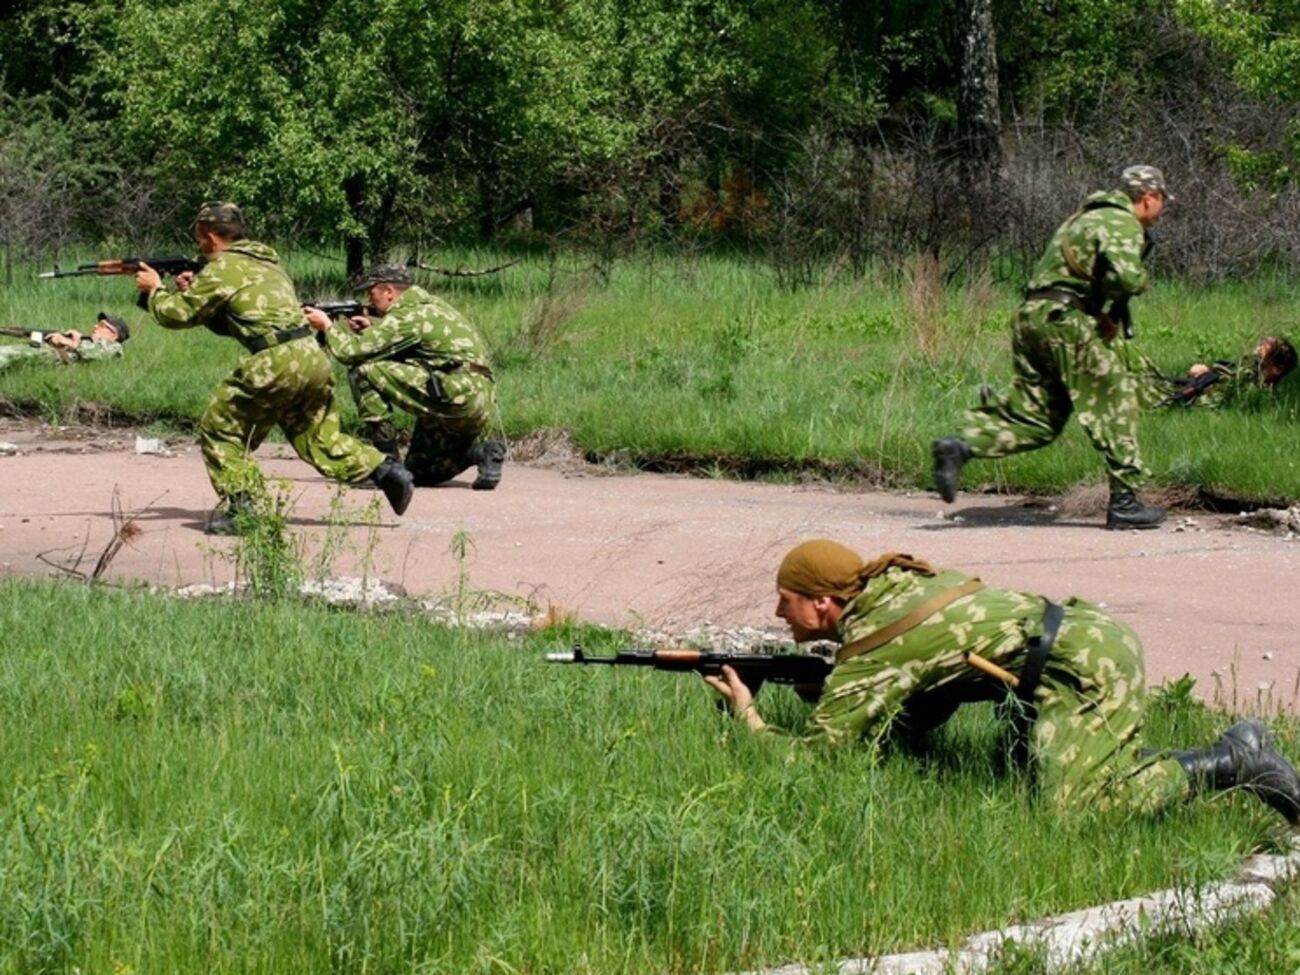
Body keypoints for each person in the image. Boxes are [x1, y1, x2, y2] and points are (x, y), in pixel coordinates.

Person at [705, 538, 1300, 823]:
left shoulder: (875, 647)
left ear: (824, 603)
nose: (779, 615)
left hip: (1084, 668)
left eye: (786, 602)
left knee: (1078, 813)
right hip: (1079, 639)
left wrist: (749, 717)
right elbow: (924, 693)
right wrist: (827, 690)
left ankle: (1234, 759)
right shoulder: (894, 589)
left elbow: (818, 759)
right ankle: (1124, 760)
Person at [134, 202, 414, 535]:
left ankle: (244, 507)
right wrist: (192, 290)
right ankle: (387, 472)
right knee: (318, 437)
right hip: (311, 356)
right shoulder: (268, 264)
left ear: (209, 237)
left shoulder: (224, 267)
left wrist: (155, 291)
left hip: (274, 360)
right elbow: (235, 321)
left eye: (199, 240)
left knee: (221, 429)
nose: (199, 247)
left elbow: (176, 315)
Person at [933, 165, 1173, 530]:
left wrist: (1099, 313)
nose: (1161, 211)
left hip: (1032, 317)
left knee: (1040, 418)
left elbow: (1073, 274)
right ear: (1149, 197)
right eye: (1162, 202)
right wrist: (1138, 281)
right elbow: (1124, 276)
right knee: (1115, 396)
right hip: (1064, 320)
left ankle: (962, 445)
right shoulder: (1122, 221)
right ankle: (1125, 502)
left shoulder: (1078, 220)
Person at [304, 263, 505, 490]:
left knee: (364, 371)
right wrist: (372, 327)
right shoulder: (431, 306)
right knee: (421, 472)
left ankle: (387, 467)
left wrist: (328, 326)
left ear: (389, 292)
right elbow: (417, 344)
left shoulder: (407, 316)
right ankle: (481, 452)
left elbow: (349, 353)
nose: (370, 301)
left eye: (372, 293)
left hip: (454, 392)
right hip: (477, 398)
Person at [1127, 336, 1296, 409]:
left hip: (1181, 402)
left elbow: (1233, 385)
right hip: (1182, 392)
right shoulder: (1245, 374)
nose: (1259, 347)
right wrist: (1206, 373)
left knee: (1129, 384)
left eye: (1264, 349)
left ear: (1277, 368)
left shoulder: (1257, 391)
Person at [0, 313, 129, 372]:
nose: (95, 327)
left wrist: (69, 341)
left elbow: (94, 355)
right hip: (30, 358)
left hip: (31, 359)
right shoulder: (87, 342)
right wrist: (58, 344)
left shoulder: (115, 348)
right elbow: (73, 362)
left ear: (113, 334)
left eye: (102, 325)